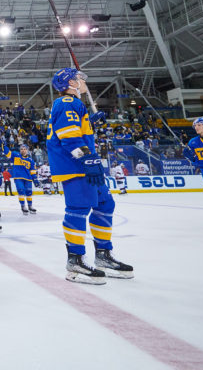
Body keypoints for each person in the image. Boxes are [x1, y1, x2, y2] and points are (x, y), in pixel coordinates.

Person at [47, 68, 133, 285]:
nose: (82, 81)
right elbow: (69, 138)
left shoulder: (75, 105)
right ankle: (74, 260)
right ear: (70, 83)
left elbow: (76, 131)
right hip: (76, 167)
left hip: (85, 165)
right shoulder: (67, 103)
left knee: (105, 204)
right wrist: (87, 160)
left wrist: (90, 123)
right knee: (78, 210)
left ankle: (103, 255)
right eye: (78, 78)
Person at [5, 143, 38, 214]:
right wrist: (4, 146)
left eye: (25, 149)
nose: (23, 150)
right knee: (21, 190)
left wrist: (35, 179)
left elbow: (32, 171)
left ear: (27, 150)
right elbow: (7, 154)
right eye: (22, 149)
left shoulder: (30, 160)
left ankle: (30, 206)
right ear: (20, 150)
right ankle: (23, 206)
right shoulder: (15, 155)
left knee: (29, 192)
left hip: (28, 179)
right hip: (18, 177)